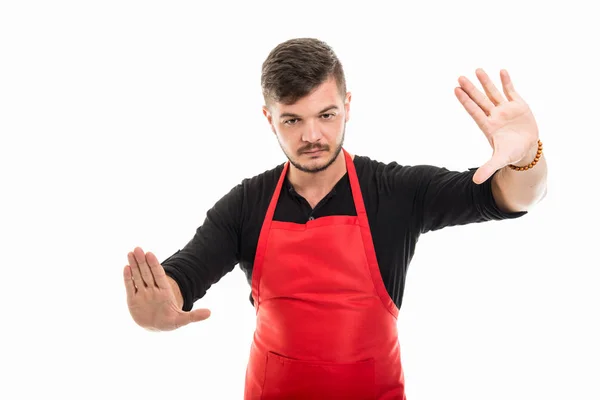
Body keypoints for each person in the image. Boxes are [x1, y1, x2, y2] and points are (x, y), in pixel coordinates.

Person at [123, 38, 548, 399]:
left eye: (326, 115)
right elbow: (180, 279)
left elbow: (510, 197)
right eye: (293, 119)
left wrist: (527, 155)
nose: (312, 136)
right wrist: (156, 311)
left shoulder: (394, 191)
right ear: (269, 118)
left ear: (347, 105)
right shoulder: (246, 204)